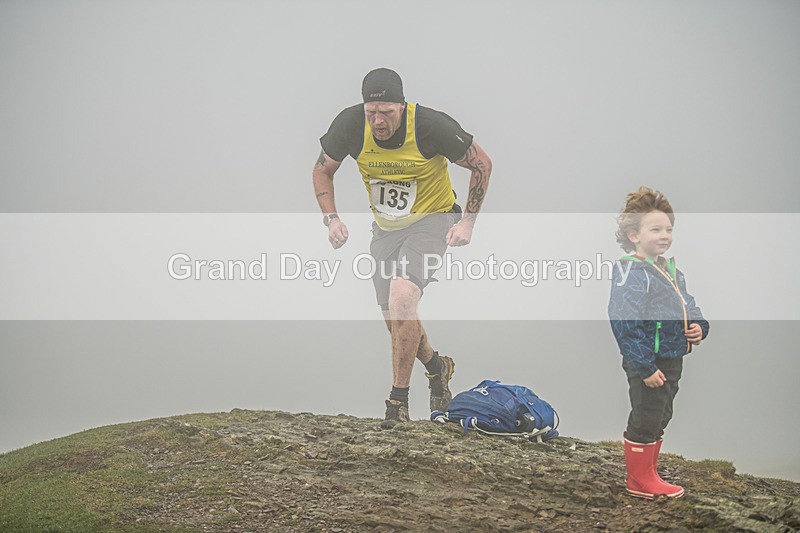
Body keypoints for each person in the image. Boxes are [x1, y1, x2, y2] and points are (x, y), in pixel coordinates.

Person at [312, 68, 492, 428]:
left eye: (386, 112)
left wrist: (468, 222)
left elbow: (481, 164)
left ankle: (398, 403)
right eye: (371, 112)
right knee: (395, 322)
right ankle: (438, 368)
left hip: (433, 220)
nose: (378, 121)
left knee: (402, 299)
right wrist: (331, 219)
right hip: (386, 230)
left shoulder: (430, 126)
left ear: (402, 105)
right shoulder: (349, 125)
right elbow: (322, 170)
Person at [608, 186, 710, 499]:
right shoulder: (630, 271)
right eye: (655, 229)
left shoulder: (670, 270)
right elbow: (625, 322)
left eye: (668, 228)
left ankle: (648, 472)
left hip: (671, 355)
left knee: (663, 413)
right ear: (634, 235)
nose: (664, 235)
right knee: (647, 414)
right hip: (646, 360)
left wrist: (698, 326)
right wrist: (643, 366)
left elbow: (688, 303)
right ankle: (638, 480)